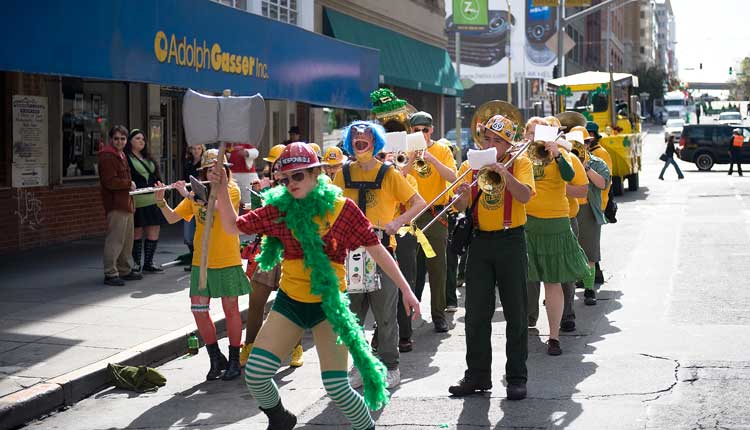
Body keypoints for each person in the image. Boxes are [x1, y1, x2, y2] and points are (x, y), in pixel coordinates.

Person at [211, 142, 421, 430]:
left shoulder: (343, 209)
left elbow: (377, 250)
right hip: (290, 303)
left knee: (337, 388)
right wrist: (222, 187)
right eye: (284, 179)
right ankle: (280, 417)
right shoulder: (279, 208)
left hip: (329, 307)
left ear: (316, 173)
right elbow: (233, 226)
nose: (291, 183)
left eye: (298, 176)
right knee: (257, 374)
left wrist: (407, 290)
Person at [333, 121, 426, 389]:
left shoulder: (388, 173)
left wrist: (398, 222)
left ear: (375, 141)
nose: (360, 140)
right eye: (355, 137)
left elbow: (418, 202)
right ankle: (361, 365)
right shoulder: (342, 173)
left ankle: (391, 366)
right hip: (350, 253)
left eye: (365, 136)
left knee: (385, 314)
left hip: (382, 249)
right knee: (354, 315)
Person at [448, 113, 535, 401]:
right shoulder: (470, 164)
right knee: (475, 313)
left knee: (516, 312)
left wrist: (504, 172)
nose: (490, 143)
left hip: (511, 239)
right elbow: (462, 206)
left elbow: (524, 196)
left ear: (508, 144)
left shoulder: (520, 161)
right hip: (480, 242)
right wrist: (460, 195)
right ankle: (477, 375)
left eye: (498, 140)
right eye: (487, 138)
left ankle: (516, 377)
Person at [153, 149, 250, 381]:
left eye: (217, 169)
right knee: (198, 310)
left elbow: (216, 206)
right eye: (208, 169)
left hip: (227, 259)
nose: (213, 173)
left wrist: (188, 194)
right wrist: (161, 201)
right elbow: (172, 218)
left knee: (231, 310)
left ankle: (235, 359)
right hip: (202, 261)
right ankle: (215, 358)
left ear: (225, 171)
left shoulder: (231, 190)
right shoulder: (196, 193)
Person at [522, 117, 589, 356]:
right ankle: (524, 324)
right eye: (530, 132)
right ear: (525, 134)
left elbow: (572, 178)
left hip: (556, 222)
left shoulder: (562, 153)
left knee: (553, 281)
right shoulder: (521, 155)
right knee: (524, 280)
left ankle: (554, 336)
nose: (534, 137)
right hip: (527, 222)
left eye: (539, 133)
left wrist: (557, 154)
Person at [239, 144, 305, 370]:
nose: (277, 172)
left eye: (280, 167)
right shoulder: (268, 190)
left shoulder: (301, 190)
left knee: (295, 305)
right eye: (275, 167)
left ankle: (296, 347)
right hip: (269, 251)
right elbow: (253, 219)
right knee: (255, 303)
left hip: (294, 255)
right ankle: (248, 346)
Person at [403, 111, 457, 333]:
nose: (422, 134)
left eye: (425, 130)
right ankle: (406, 316)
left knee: (437, 267)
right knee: (409, 267)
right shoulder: (404, 149)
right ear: (411, 131)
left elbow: (453, 177)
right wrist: (413, 157)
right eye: (417, 130)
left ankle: (438, 315)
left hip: (435, 213)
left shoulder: (442, 149)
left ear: (432, 130)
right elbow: (398, 176)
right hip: (410, 214)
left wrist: (431, 158)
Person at [98, 125, 142, 286]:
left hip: (126, 202)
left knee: (127, 240)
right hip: (116, 204)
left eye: (123, 138)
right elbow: (109, 182)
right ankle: (110, 273)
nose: (119, 141)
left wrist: (132, 201)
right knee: (115, 240)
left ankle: (124, 269)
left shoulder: (121, 154)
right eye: (116, 138)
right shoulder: (107, 156)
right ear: (111, 139)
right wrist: (128, 183)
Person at [125, 129, 168, 273]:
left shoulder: (147, 157)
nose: (141, 141)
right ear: (130, 141)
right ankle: (136, 263)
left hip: (153, 198)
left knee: (154, 229)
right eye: (137, 138)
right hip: (138, 199)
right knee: (137, 232)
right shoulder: (126, 157)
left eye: (143, 139)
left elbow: (156, 175)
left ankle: (148, 262)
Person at [576, 134, 611, 306]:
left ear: (589, 143)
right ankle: (558, 291)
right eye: (576, 143)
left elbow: (602, 184)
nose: (581, 146)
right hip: (567, 209)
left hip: (589, 210)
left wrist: (586, 167)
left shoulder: (598, 163)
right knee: (565, 253)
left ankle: (589, 289)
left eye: (584, 142)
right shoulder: (562, 161)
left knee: (589, 252)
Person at [183, 144, 205, 271]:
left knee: (200, 232)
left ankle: (198, 261)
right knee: (188, 236)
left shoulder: (204, 164)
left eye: (199, 149)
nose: (196, 151)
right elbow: (184, 180)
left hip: (201, 200)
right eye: (194, 149)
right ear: (190, 150)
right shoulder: (188, 163)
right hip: (189, 199)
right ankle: (194, 258)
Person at [227, 143, 260, 209]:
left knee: (248, 198)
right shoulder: (228, 142)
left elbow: (256, 152)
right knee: (234, 197)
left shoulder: (246, 141)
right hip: (232, 175)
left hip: (248, 175)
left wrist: (247, 152)